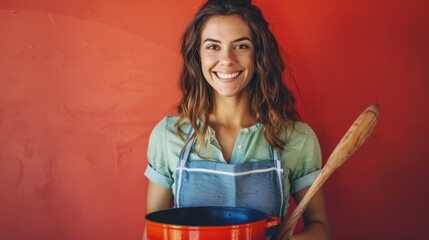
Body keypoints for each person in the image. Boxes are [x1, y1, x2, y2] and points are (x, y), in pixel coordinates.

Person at [144, 0, 331, 239]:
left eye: (241, 46)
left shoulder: (296, 138)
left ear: (258, 54)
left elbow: (321, 228)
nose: (227, 59)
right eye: (213, 47)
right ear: (198, 55)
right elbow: (152, 234)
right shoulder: (169, 135)